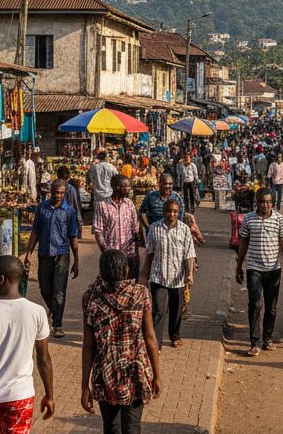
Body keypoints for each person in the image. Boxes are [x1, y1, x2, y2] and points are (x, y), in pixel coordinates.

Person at [0, 255, 55, 433]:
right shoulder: (37, 312)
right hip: (21, 395)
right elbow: (44, 359)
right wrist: (49, 395)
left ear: (1, 279)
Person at [81, 250, 162, 434]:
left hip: (105, 372)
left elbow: (88, 346)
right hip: (136, 370)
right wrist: (157, 375)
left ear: (101, 271)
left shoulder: (91, 297)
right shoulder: (141, 294)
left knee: (111, 427)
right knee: (132, 427)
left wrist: (84, 385)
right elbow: (150, 338)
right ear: (126, 270)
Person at [24, 179, 82, 338]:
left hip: (62, 254)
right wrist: (29, 253)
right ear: (51, 191)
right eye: (56, 192)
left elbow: (73, 236)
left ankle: (57, 324)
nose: (59, 195)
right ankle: (54, 308)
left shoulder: (68, 211)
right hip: (44, 254)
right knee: (45, 289)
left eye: (62, 193)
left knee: (59, 291)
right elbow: (35, 231)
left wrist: (76, 260)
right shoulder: (42, 208)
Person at [236, 188, 283, 356]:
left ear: (272, 203)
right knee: (255, 305)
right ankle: (254, 342)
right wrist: (239, 266)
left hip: (273, 269)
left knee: (271, 307)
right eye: (261, 201)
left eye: (268, 202)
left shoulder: (280, 219)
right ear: (257, 202)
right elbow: (243, 242)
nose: (265, 205)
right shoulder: (248, 219)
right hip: (254, 268)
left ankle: (268, 338)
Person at [141, 198, 196, 348]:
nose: (172, 214)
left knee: (176, 309)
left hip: (177, 279)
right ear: (163, 212)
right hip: (158, 277)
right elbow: (150, 254)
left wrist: (189, 274)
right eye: (169, 211)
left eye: (175, 212)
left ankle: (175, 336)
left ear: (178, 213)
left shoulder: (184, 229)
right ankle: (156, 342)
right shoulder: (154, 228)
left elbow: (189, 254)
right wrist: (143, 276)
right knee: (158, 311)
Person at [94, 176, 140, 273]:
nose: (129, 189)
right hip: (112, 255)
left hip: (129, 255)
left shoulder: (129, 204)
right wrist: (107, 253)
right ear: (116, 187)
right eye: (126, 187)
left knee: (130, 284)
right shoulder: (103, 205)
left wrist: (136, 250)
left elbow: (135, 227)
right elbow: (98, 232)